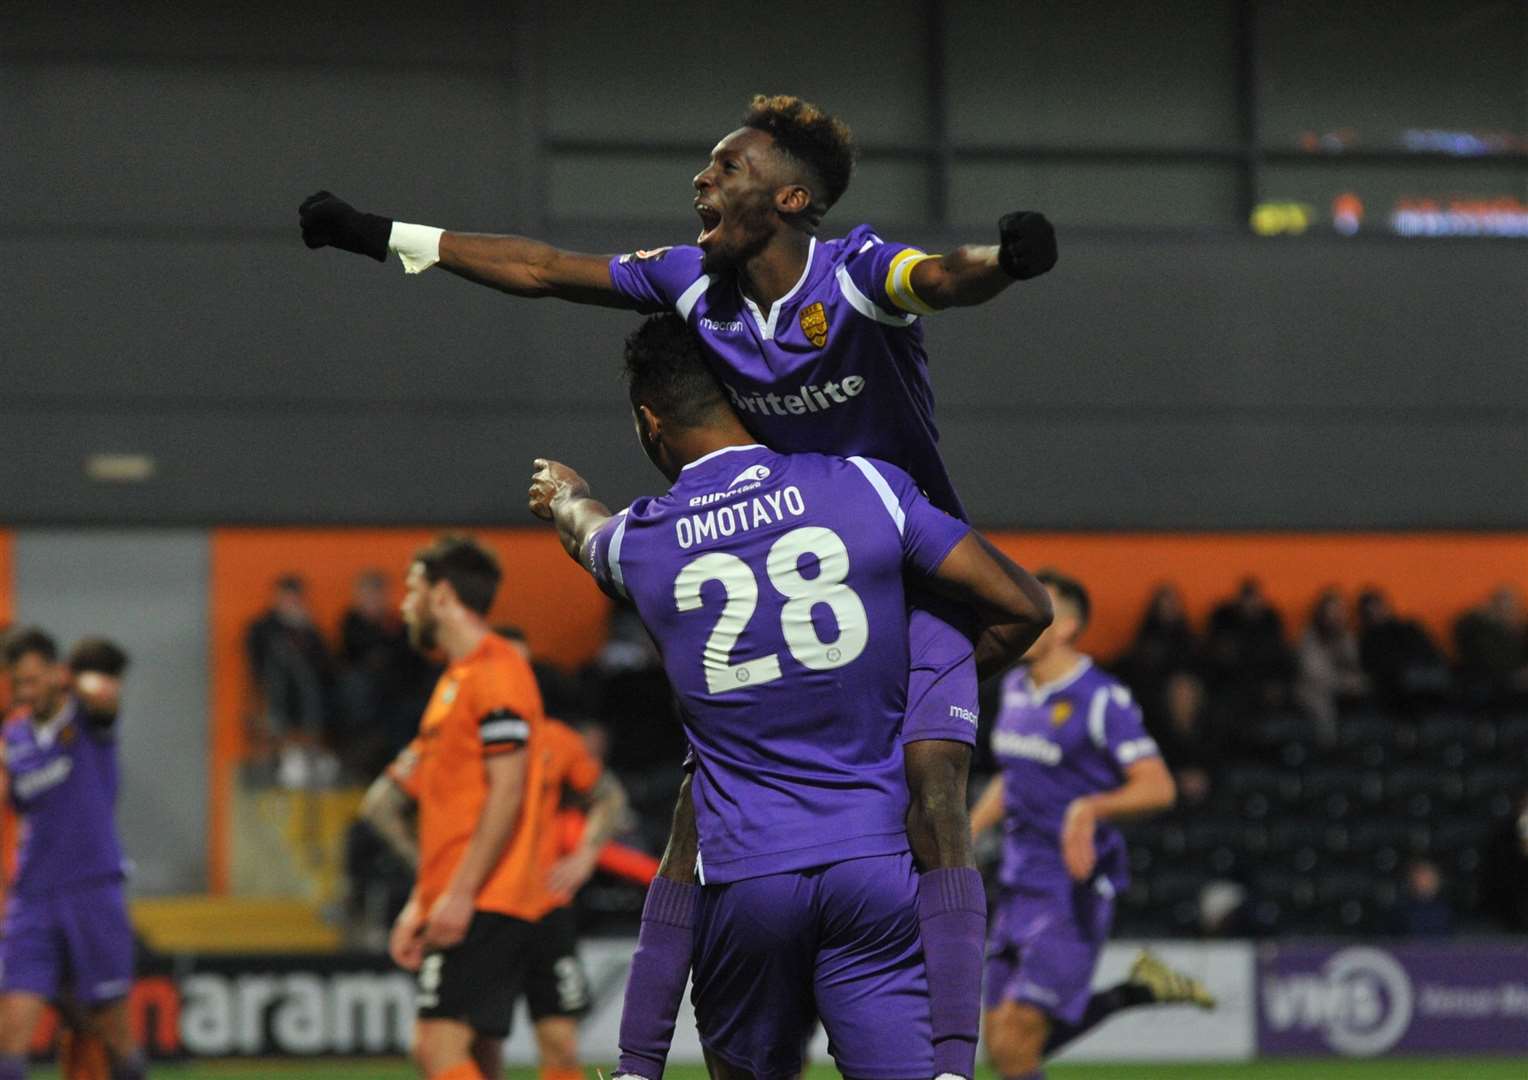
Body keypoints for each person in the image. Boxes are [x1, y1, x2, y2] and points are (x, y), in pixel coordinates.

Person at [302, 94, 1057, 1080]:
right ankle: (646, 1063)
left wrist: (1005, 261)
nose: (703, 179)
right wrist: (378, 235)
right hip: (771, 576)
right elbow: (540, 269)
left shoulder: (855, 274)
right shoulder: (692, 284)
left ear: (789, 196)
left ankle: (951, 1057)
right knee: (703, 813)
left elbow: (941, 278)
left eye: (726, 166)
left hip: (906, 583)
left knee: (933, 788)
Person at [528, 312, 1051, 1079]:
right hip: (874, 869)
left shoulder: (644, 540)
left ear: (650, 420)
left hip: (745, 880)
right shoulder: (864, 484)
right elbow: (1024, 606)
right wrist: (921, 692)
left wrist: (568, 493)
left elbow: (586, 531)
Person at [969, 571, 1212, 1080]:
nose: (1018, 616)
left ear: (1067, 626)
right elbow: (1012, 780)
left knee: (1016, 1043)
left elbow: (1159, 786)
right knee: (1002, 1047)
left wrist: (1089, 809)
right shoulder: (1014, 688)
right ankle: (1134, 991)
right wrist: (965, 834)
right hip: (1017, 884)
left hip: (1071, 888)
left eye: (1034, 608)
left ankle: (1133, 992)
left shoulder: (1101, 698)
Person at [363, 683, 631, 1080]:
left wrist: (585, 855)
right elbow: (379, 806)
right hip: (477, 904)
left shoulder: (557, 741)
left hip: (543, 907)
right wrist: (431, 873)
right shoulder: (449, 742)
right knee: (462, 1043)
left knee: (557, 1042)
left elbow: (609, 796)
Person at [383, 535, 552, 1080]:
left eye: (412, 589)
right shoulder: (456, 681)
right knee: (476, 1053)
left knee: (436, 1044)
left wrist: (457, 894)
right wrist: (423, 897)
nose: (403, 603)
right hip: (467, 893)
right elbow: (453, 807)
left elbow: (507, 791)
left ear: (443, 595)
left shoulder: (496, 671)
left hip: (488, 895)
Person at [0, 630, 147, 1080]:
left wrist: (76, 681)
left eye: (33, 680)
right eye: (17, 683)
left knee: (115, 1035)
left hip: (92, 889)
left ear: (55, 673)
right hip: (33, 896)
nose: (26, 692)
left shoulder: (88, 721)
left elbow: (106, 694)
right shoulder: (14, 737)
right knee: (10, 1039)